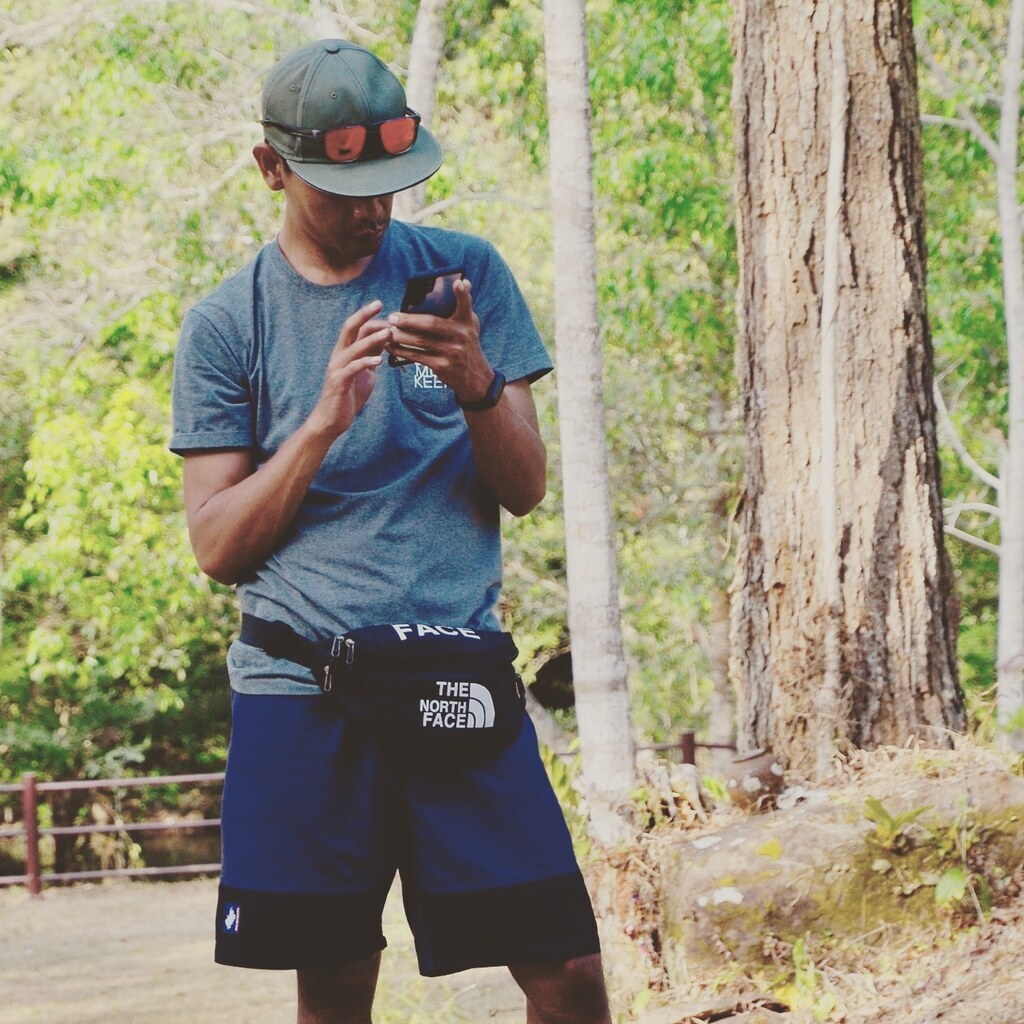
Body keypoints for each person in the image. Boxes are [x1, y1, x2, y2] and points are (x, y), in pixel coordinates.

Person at [170, 39, 612, 1024]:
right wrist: (321, 423)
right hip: (303, 685)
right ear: (271, 168)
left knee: (570, 972)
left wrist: (477, 383)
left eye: (388, 186)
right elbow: (215, 546)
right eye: (343, 191)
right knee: (334, 987)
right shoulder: (227, 323)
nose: (372, 210)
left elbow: (526, 488)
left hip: (457, 676)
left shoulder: (467, 274)